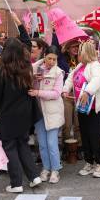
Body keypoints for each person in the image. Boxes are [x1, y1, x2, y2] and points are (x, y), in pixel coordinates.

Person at [0, 38, 42, 193]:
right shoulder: (26, 68)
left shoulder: (1, 71)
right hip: (25, 114)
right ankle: (33, 176)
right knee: (22, 144)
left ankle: (16, 183)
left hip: (7, 115)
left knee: (10, 147)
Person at [63, 41, 100, 178]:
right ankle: (89, 162)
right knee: (85, 136)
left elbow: (97, 80)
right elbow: (70, 79)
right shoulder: (80, 66)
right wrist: (65, 89)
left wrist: (87, 92)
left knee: (96, 137)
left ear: (85, 53)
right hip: (83, 108)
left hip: (95, 108)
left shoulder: (96, 66)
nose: (77, 54)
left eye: (79, 52)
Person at [30, 46, 65, 184]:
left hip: (52, 112)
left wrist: (39, 93)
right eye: (49, 58)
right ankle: (46, 168)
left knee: (52, 143)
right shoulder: (34, 68)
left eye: (54, 59)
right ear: (44, 56)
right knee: (42, 144)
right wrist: (33, 80)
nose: (51, 61)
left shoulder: (58, 73)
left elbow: (56, 94)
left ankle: (56, 169)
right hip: (38, 111)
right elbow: (28, 86)